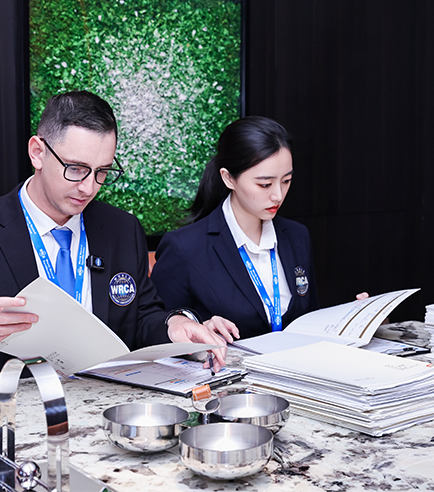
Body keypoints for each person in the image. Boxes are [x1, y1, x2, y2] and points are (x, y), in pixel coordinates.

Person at [0, 91, 226, 391]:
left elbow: (143, 318)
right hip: (10, 410)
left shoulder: (121, 229)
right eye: (75, 169)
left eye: (102, 171)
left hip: (103, 403)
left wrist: (174, 325)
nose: (89, 188)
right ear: (37, 152)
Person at [152, 116, 368, 342]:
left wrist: (351, 318)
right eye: (265, 184)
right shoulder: (185, 247)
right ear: (228, 178)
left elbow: (309, 318)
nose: (278, 195)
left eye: (286, 181)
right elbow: (157, 330)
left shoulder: (296, 236)